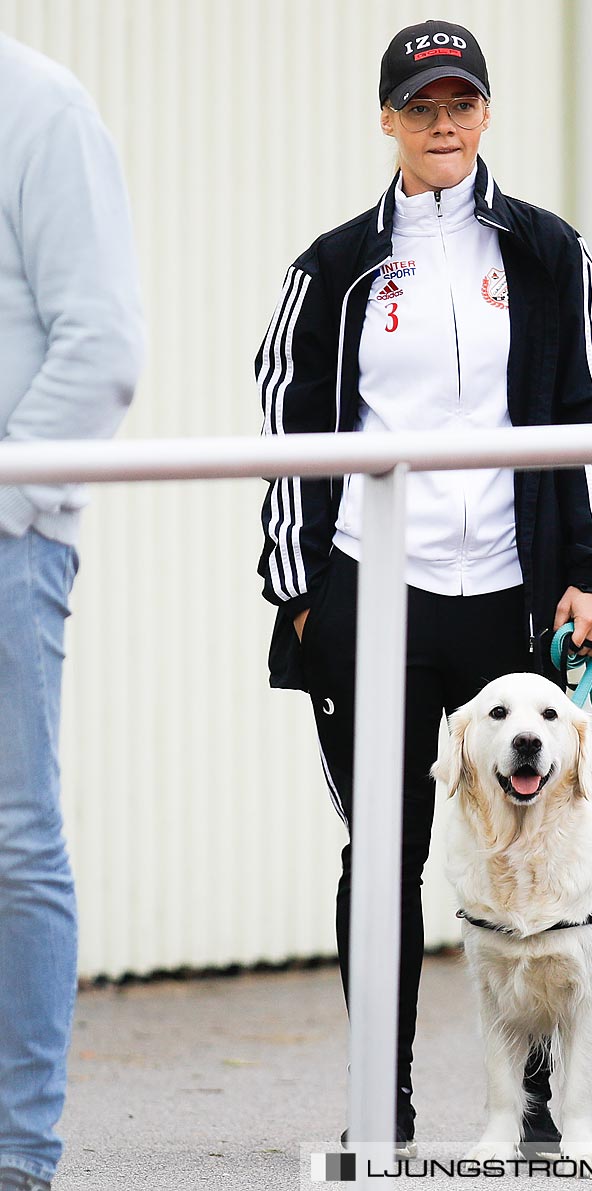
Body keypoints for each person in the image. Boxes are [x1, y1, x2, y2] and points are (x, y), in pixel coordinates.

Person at [254, 20, 592, 1151]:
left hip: (513, 593)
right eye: (421, 107)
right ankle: (386, 1101)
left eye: (461, 103)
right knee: (389, 846)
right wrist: (301, 590)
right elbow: (287, 427)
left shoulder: (551, 252)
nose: (444, 124)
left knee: (523, 849)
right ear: (388, 119)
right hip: (374, 589)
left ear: (484, 112)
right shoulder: (333, 267)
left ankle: (527, 1110)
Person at [0, 32, 145, 1191]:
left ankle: (16, 1155)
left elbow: (102, 343)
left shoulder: (40, 107)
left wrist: (5, 491)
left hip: (6, 536)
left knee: (12, 841)